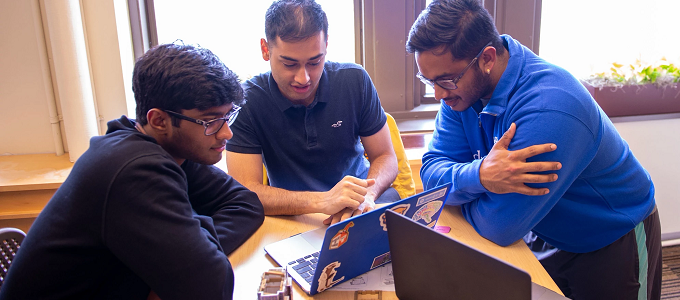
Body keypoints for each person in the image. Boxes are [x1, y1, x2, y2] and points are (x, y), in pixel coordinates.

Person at [406, 1, 661, 299]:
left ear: (487, 58)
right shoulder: (460, 93)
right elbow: (431, 173)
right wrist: (481, 176)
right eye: (427, 80)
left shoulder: (550, 108)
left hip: (609, 235)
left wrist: (458, 192)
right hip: (543, 227)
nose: (437, 94)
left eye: (445, 80)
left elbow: (499, 225)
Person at [0, 43, 265, 300]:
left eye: (228, 116)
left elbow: (246, 205)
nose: (226, 132)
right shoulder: (134, 170)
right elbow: (209, 288)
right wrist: (188, 260)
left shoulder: (169, 146)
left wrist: (190, 254)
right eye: (210, 121)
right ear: (159, 120)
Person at [226, 0, 399, 225]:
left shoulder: (354, 80)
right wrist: (323, 201)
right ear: (265, 49)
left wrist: (367, 194)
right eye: (289, 64)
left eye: (315, 62)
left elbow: (386, 157)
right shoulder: (247, 100)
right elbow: (246, 191)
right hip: (292, 214)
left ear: (326, 44)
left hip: (358, 204)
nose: (303, 78)